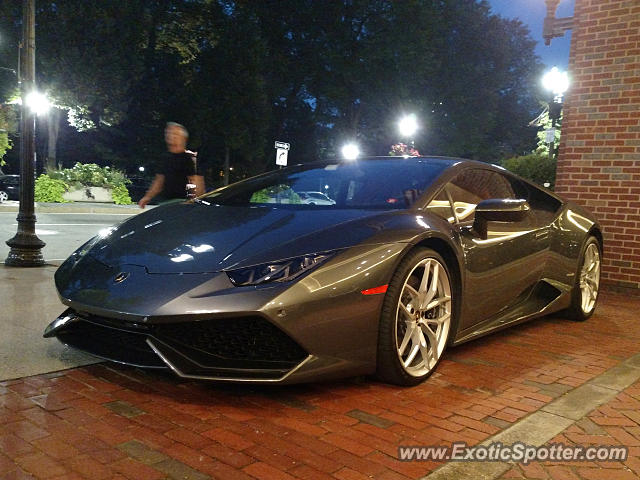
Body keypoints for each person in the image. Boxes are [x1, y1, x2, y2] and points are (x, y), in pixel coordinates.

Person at [138, 122, 205, 209]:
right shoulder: (165, 157)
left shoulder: (188, 159)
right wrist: (147, 197)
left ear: (183, 138)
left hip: (180, 203)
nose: (171, 136)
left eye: (175, 134)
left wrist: (197, 202)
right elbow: (159, 181)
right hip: (164, 202)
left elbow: (197, 181)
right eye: (168, 133)